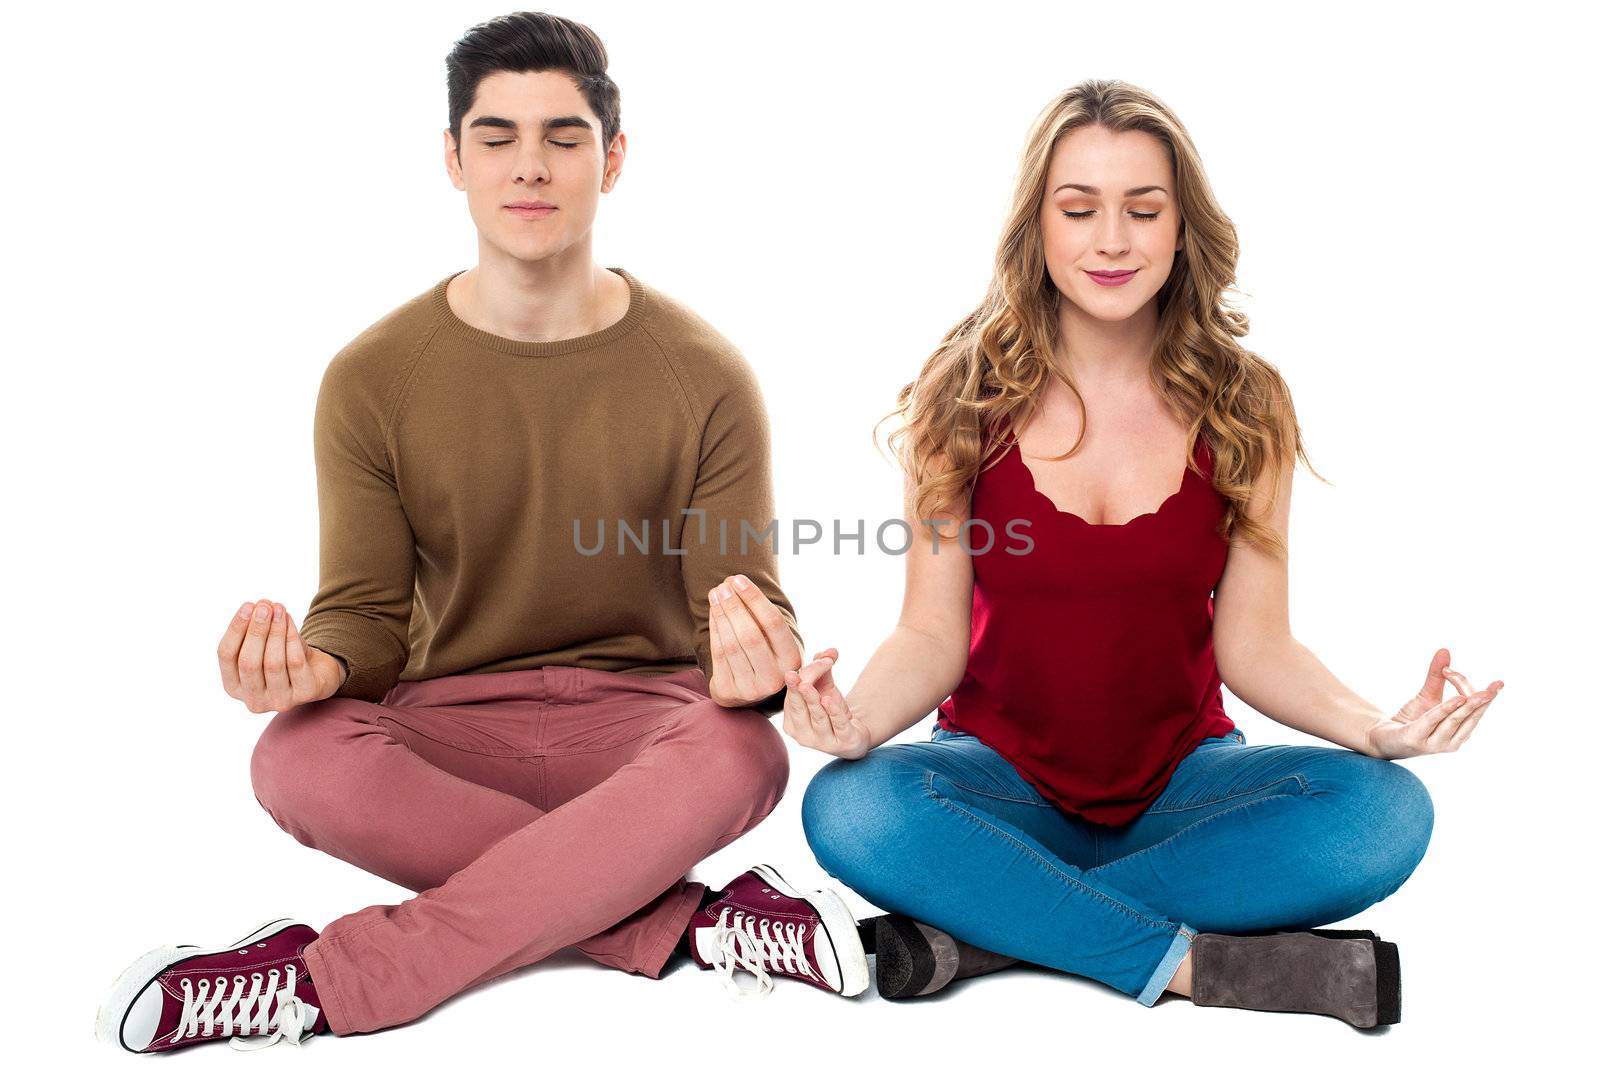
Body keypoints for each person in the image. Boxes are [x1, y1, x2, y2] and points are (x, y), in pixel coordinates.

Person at [96, 11, 867, 1055]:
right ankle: (688, 921)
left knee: (743, 755)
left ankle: (324, 983)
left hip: (640, 741)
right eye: (497, 138)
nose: (530, 168)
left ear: (615, 159)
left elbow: (739, 606)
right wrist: (311, 669)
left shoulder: (705, 372)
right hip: (448, 737)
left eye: (563, 137)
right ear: (453, 160)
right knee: (294, 758)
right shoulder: (372, 377)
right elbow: (365, 619)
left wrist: (755, 664)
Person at [790, 78, 1504, 1029]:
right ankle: (1182, 966)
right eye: (1078, 209)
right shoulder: (961, 397)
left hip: (1179, 790)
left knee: (1387, 812)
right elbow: (930, 631)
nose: (1112, 241)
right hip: (999, 782)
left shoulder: (1248, 407)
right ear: (1037, 228)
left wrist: (1377, 727)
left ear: (1181, 228)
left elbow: (1257, 645)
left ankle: (997, 927)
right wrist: (857, 721)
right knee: (849, 808)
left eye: (1143, 209)